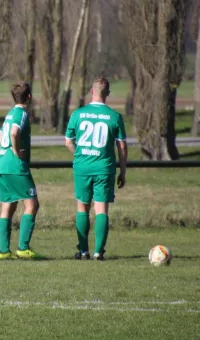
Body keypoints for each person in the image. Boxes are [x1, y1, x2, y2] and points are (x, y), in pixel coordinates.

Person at [64, 76, 128, 261]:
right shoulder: (115, 117)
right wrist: (122, 171)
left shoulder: (77, 114)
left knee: (82, 207)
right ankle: (98, 252)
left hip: (82, 167)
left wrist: (79, 155)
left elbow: (68, 142)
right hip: (104, 168)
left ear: (91, 91)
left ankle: (83, 251)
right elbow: (122, 147)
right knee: (101, 209)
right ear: (107, 93)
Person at [0, 81, 43, 260]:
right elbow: (14, 133)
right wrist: (15, 152)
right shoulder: (22, 114)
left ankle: (3, 251)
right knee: (32, 205)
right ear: (29, 97)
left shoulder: (10, 114)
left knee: (8, 206)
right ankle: (23, 248)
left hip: (2, 166)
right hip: (16, 167)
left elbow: (1, 134)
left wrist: (6, 149)